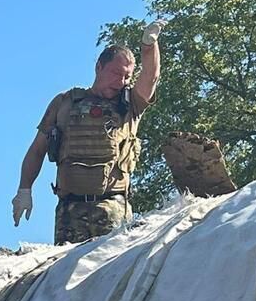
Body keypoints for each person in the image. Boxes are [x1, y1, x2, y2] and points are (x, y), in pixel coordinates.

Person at [14, 21, 165, 244]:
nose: (121, 82)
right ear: (99, 68)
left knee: (113, 274)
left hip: (113, 208)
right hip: (70, 210)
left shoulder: (130, 105)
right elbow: (37, 151)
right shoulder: (65, 103)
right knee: (66, 276)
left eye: (126, 76)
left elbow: (150, 77)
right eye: (115, 73)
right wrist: (24, 190)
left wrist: (149, 47)